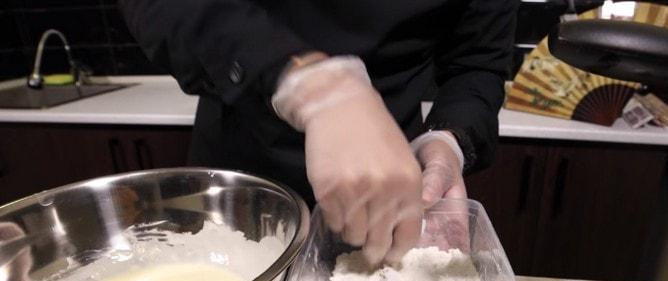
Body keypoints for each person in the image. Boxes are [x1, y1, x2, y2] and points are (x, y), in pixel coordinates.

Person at [119, 0, 518, 265]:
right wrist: (316, 86)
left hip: (388, 177)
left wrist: (448, 140)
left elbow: (477, 63)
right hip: (244, 171)